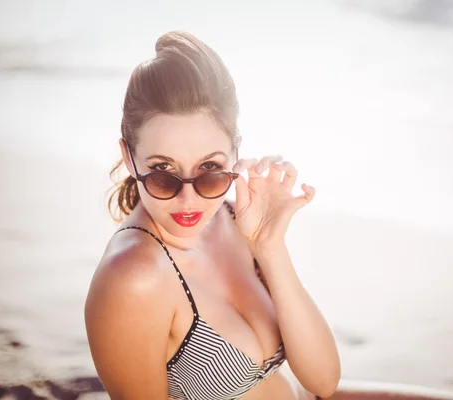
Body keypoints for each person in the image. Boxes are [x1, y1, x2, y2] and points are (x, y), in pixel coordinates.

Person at [84, 30, 340, 400]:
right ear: (128, 158)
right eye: (162, 173)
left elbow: (323, 381)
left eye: (210, 170)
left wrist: (270, 246)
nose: (189, 200)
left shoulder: (234, 220)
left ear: (235, 152)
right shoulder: (134, 277)